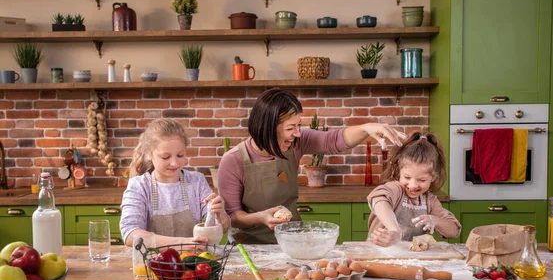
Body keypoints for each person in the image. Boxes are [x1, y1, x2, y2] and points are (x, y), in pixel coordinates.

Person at [217, 88, 406, 244]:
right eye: (291, 128)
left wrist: (367, 128)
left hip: (291, 239)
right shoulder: (233, 160)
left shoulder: (296, 143)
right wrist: (261, 217)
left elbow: (333, 140)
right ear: (266, 128)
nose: (297, 133)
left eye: (298, 126)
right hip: (248, 247)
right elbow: (232, 216)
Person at [120, 119, 230, 247]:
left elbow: (224, 227)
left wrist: (220, 215)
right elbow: (130, 235)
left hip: (192, 260)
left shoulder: (196, 181)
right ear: (148, 154)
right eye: (166, 157)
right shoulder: (139, 186)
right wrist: (183, 243)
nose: (174, 163)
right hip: (152, 262)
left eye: (180, 155)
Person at [367, 132, 461, 247]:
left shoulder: (429, 201)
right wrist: (394, 231)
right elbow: (378, 199)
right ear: (399, 171)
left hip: (411, 257)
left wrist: (435, 220)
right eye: (407, 177)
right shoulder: (395, 189)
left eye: (421, 180)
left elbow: (454, 231)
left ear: (433, 177)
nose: (413, 185)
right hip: (378, 253)